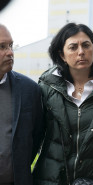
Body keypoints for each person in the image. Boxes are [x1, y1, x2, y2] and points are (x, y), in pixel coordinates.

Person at [32, 23, 93, 185]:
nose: (81, 52)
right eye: (73, 47)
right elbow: (38, 134)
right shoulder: (46, 86)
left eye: (86, 45)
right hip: (54, 178)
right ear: (62, 54)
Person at [0, 24, 44, 185]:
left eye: (10, 45)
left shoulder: (30, 90)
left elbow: (37, 136)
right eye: (2, 47)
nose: (10, 52)